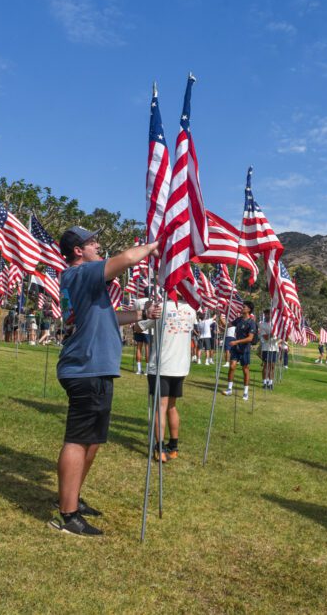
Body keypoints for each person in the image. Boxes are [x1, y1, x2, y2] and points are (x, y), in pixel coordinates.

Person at [52, 226, 160, 536]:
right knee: (78, 438)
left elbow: (109, 317)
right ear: (78, 251)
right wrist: (155, 244)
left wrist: (141, 316)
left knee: (93, 439)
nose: (98, 245)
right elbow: (126, 258)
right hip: (86, 367)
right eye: (92, 242)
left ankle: (71, 497)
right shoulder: (81, 272)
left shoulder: (84, 280)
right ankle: (68, 514)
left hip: (96, 367)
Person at [138, 296, 195, 462]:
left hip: (161, 366)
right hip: (180, 366)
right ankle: (173, 446)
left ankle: (160, 448)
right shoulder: (191, 310)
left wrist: (146, 310)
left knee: (160, 408)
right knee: (171, 406)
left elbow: (138, 327)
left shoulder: (159, 307)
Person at [224, 302, 256, 400]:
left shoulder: (252, 323)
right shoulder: (238, 319)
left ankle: (245, 392)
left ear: (249, 310)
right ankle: (229, 389)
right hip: (236, 347)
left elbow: (250, 338)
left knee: (245, 370)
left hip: (245, 349)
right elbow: (226, 325)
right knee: (232, 366)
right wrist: (220, 316)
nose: (242, 308)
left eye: (244, 307)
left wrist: (237, 341)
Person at [132, 287, 152, 374]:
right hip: (148, 327)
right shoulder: (153, 302)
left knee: (139, 348)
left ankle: (139, 369)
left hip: (139, 326)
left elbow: (133, 313)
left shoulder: (138, 301)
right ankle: (147, 370)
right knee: (148, 348)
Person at [258, 309, 277, 390]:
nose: (267, 316)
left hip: (274, 348)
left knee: (272, 366)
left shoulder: (275, 324)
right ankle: (265, 382)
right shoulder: (262, 324)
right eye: (266, 314)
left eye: (269, 314)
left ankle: (271, 383)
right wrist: (274, 333)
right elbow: (265, 337)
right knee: (266, 365)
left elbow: (279, 337)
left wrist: (276, 333)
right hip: (266, 347)